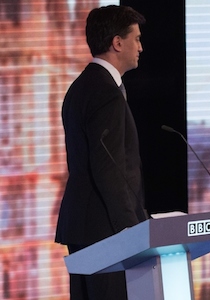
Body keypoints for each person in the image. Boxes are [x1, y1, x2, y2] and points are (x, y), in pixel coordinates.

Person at [55, 5, 148, 299]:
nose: (141, 47)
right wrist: (132, 233)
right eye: (136, 39)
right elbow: (109, 169)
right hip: (104, 229)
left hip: (85, 226)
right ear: (117, 43)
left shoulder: (80, 87)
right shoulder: (106, 92)